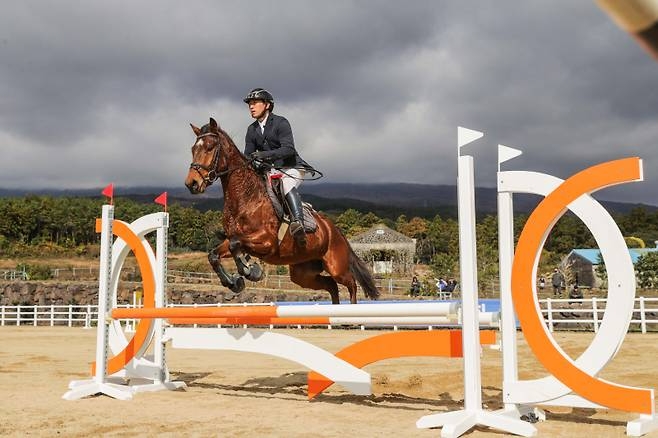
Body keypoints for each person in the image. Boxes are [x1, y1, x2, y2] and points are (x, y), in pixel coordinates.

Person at [243, 88, 315, 247]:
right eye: (249, 104)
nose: (251, 107)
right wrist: (252, 162)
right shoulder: (251, 129)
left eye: (255, 103)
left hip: (291, 167)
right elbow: (247, 154)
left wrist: (263, 156)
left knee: (286, 184)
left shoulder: (281, 122)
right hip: (271, 171)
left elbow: (288, 149)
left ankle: (298, 223)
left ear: (267, 105)